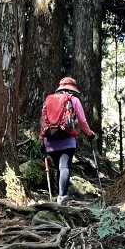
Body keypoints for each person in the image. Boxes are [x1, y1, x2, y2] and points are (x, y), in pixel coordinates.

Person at [41, 76, 95, 205]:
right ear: (72, 88)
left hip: (50, 139)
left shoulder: (48, 100)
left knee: (59, 168)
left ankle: (58, 195)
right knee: (64, 166)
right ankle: (62, 197)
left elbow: (42, 121)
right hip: (67, 138)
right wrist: (89, 133)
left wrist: (42, 139)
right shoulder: (74, 100)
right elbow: (82, 120)